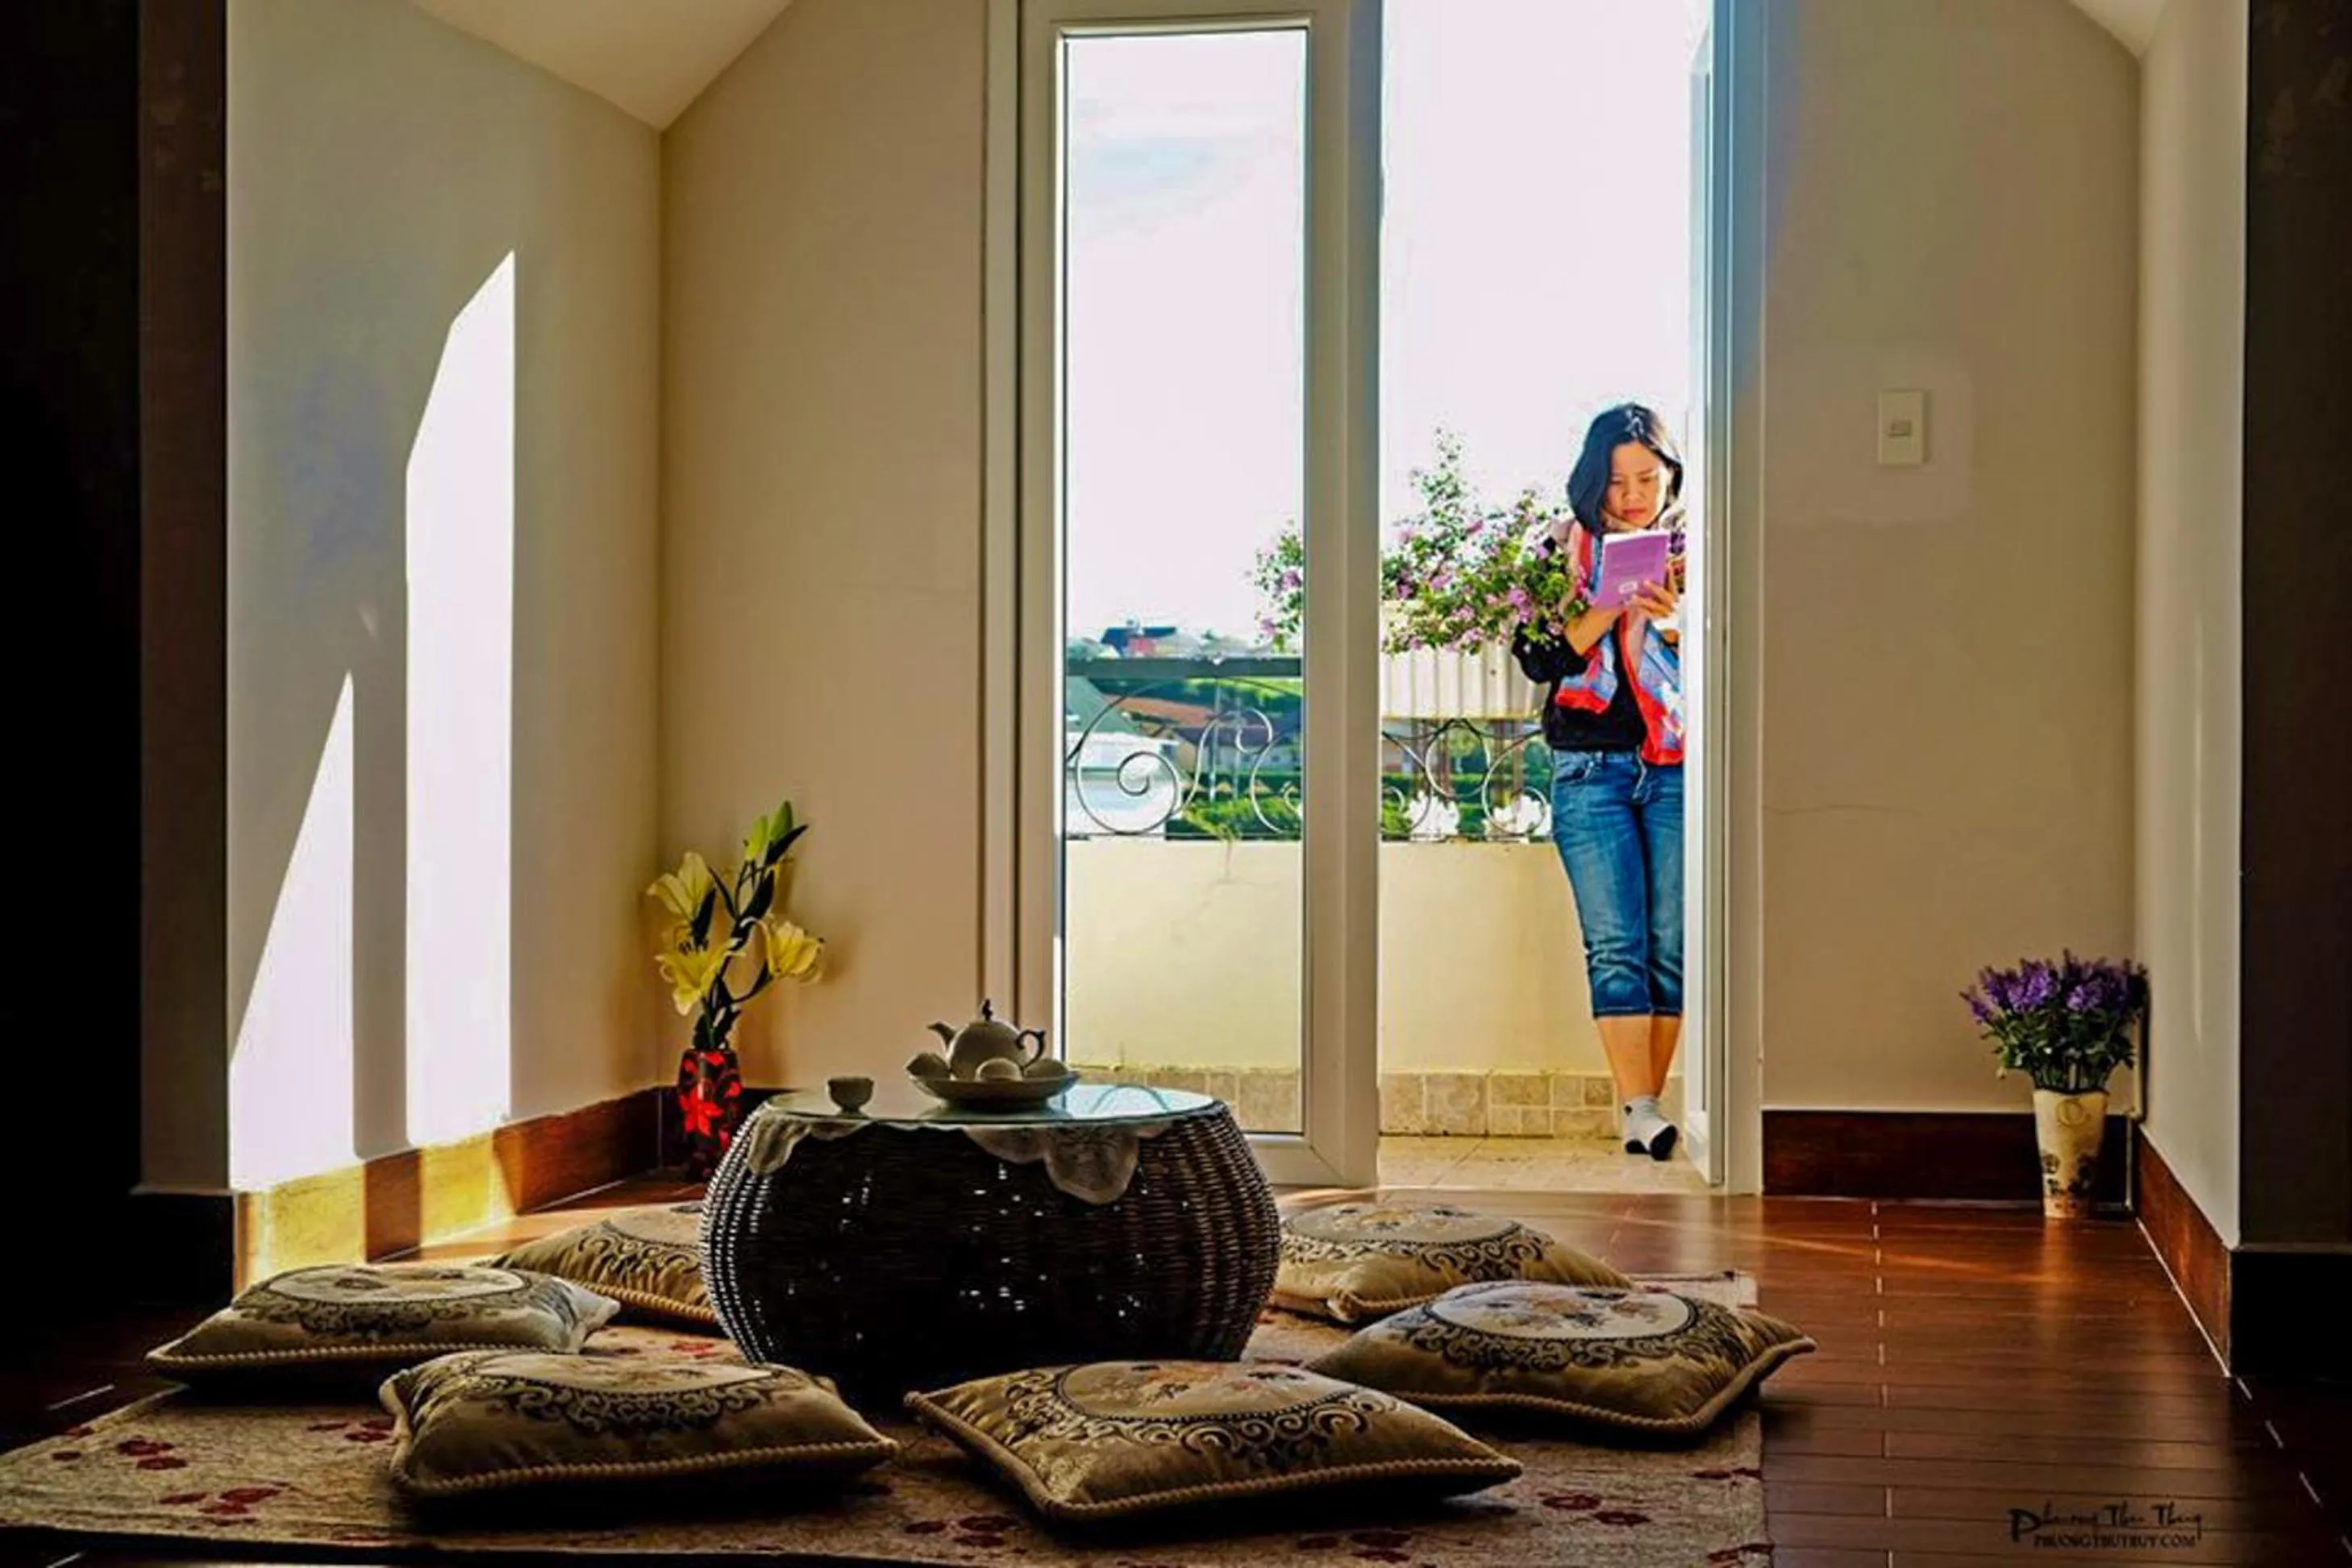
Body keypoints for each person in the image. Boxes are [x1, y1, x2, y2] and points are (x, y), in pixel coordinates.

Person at [1513, 403, 1688, 1159]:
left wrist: (1675, 617)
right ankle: (1641, 1105)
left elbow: (1722, 657)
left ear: (1669, 476)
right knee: (1615, 943)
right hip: (1589, 767)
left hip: (1674, 761)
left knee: (1671, 943)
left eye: (1646, 478)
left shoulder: (1699, 549)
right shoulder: (1555, 550)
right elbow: (1537, 658)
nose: (1631, 495)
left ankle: (1643, 1112)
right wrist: (1605, 604)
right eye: (1616, 481)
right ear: (1593, 483)